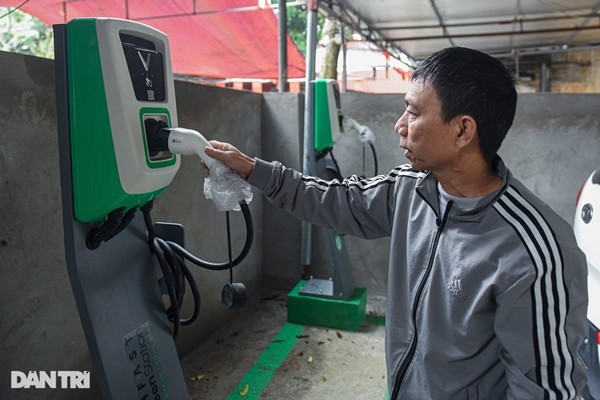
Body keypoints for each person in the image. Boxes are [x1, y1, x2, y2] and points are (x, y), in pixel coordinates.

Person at [204, 47, 590, 399]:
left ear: (462, 131)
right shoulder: (411, 189)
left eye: (414, 111)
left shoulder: (535, 252)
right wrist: (255, 170)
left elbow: (545, 390)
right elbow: (335, 200)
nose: (400, 125)